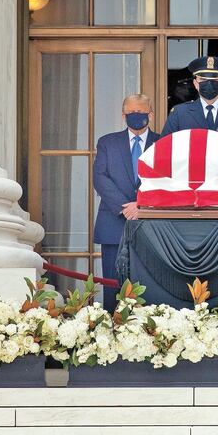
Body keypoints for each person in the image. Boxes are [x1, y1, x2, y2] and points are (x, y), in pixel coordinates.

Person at [93, 94, 159, 311]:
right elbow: (100, 178)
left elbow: (167, 179)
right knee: (113, 288)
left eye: (142, 112)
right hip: (113, 224)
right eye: (132, 113)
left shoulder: (163, 143)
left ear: (151, 113)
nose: (137, 116)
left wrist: (142, 204)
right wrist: (126, 207)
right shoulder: (107, 142)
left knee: (151, 288)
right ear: (123, 115)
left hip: (152, 226)